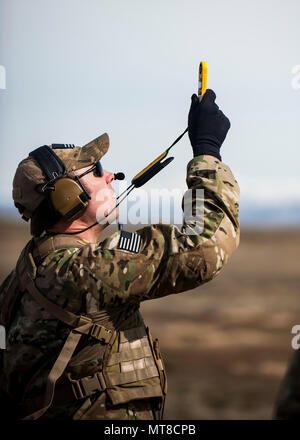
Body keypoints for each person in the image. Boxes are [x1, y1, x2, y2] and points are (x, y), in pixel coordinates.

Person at [0, 89, 240, 420]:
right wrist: (208, 154)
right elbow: (204, 247)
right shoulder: (82, 269)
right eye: (96, 169)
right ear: (68, 198)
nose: (110, 175)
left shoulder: (25, 272)